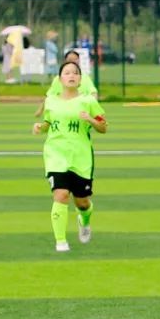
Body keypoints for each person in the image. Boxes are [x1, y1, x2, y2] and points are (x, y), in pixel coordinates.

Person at [31, 60, 107, 252]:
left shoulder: (89, 101)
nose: (71, 76)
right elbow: (48, 122)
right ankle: (61, 241)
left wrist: (90, 119)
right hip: (55, 154)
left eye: (75, 73)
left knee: (82, 202)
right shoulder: (51, 101)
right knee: (61, 194)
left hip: (80, 157)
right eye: (67, 73)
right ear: (60, 78)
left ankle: (85, 218)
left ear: (80, 79)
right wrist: (40, 127)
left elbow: (103, 127)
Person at [35, 50, 97, 118]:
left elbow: (93, 93)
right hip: (62, 113)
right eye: (70, 59)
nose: (73, 61)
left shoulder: (85, 77)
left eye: (75, 59)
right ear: (65, 61)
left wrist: (93, 109)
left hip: (80, 113)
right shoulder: (59, 79)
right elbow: (49, 96)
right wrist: (40, 110)